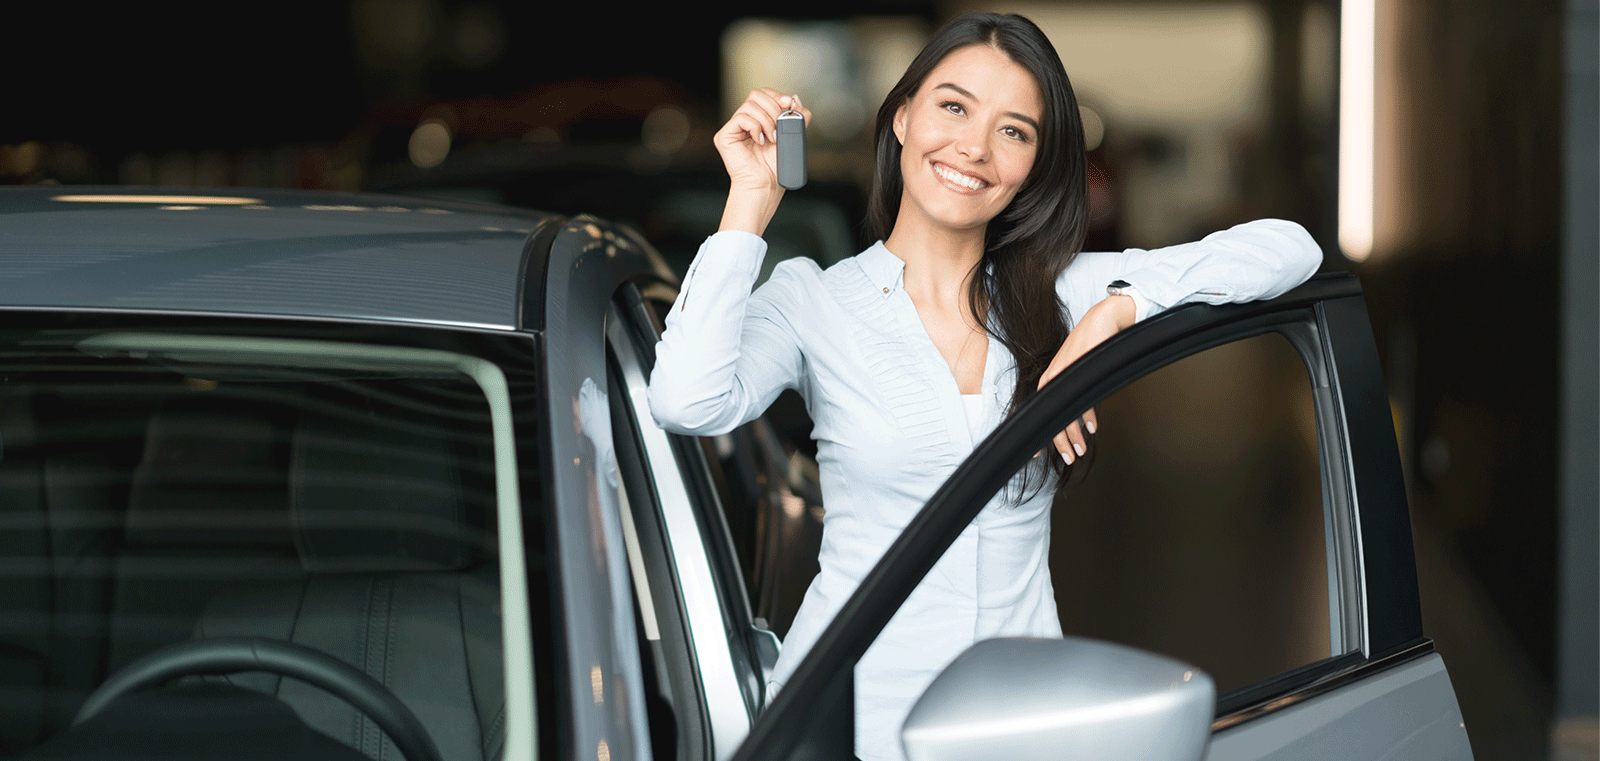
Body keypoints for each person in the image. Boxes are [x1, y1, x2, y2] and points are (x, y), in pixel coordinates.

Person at [647, 12, 1322, 761]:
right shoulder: (815, 300)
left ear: (1034, 163)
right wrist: (749, 203)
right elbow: (686, 399)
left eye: (1015, 131)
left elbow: (1292, 249)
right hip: (845, 726)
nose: (974, 147)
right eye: (954, 107)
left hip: (1023, 729)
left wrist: (1113, 313)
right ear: (902, 116)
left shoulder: (1059, 293)